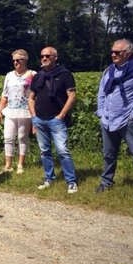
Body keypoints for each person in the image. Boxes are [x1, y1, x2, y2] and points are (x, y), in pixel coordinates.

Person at [95, 39, 133, 200]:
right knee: (108, 154)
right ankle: (106, 182)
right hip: (108, 119)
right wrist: (101, 112)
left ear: (128, 53)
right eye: (112, 52)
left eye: (117, 52)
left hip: (127, 120)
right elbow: (102, 92)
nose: (113, 54)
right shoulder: (109, 71)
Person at [28, 47, 79, 194]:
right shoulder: (38, 76)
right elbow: (31, 98)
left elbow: (72, 96)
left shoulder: (65, 74)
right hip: (39, 119)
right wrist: (33, 116)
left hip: (56, 119)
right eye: (42, 56)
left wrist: (61, 115)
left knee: (63, 151)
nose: (44, 58)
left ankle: (71, 181)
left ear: (55, 57)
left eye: (47, 56)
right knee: (45, 151)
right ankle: (48, 178)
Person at [0, 49, 36, 174]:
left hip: (25, 110)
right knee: (8, 137)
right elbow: (5, 95)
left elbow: (35, 95)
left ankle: (20, 164)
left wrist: (35, 115)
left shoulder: (32, 74)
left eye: (18, 60)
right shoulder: (9, 75)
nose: (16, 63)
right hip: (10, 110)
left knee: (22, 137)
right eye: (14, 60)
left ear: (25, 60)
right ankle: (8, 165)